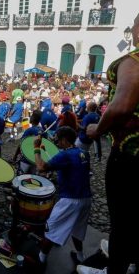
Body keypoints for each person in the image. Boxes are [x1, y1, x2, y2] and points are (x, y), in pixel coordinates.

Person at [78, 20, 139, 274]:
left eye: (135, 24)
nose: (132, 28)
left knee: (122, 221)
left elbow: (123, 104)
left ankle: (114, 268)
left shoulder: (133, 61)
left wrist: (97, 130)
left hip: (130, 156)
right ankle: (128, 257)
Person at [33, 126, 92, 268]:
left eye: (58, 140)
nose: (57, 143)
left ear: (65, 140)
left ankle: (41, 259)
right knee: (77, 229)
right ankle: (80, 256)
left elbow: (41, 167)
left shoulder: (64, 155)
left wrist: (36, 148)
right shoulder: (84, 153)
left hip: (70, 200)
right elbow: (74, 170)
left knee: (50, 230)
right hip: (86, 199)